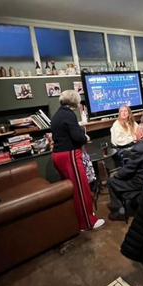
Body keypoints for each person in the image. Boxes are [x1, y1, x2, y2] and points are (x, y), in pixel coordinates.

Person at [51, 90, 104, 231]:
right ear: (75, 101)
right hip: (69, 155)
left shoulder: (57, 114)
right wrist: (84, 137)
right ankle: (88, 222)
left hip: (58, 155)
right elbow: (77, 137)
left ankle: (77, 219)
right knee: (80, 189)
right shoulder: (69, 115)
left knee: (71, 190)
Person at [107, 123, 143, 221]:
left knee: (111, 180)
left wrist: (116, 175)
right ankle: (134, 203)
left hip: (141, 182)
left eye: (136, 132)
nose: (135, 134)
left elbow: (128, 170)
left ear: (141, 135)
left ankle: (119, 211)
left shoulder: (139, 148)